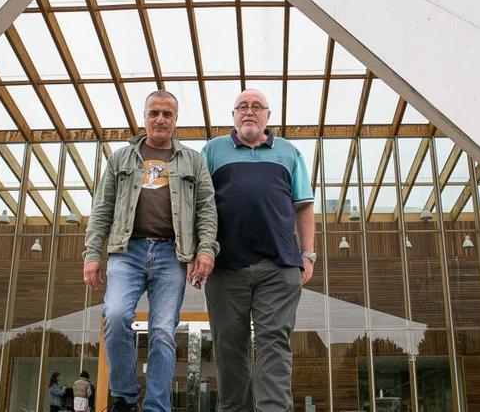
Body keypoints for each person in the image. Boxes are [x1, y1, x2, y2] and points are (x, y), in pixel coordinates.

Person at [83, 90, 218, 412]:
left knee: (162, 330)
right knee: (115, 316)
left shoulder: (193, 160)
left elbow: (206, 209)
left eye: (167, 114)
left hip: (172, 254)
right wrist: (91, 255)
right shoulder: (121, 158)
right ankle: (125, 396)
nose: (160, 119)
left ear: (175, 120)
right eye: (154, 113)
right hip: (126, 251)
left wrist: (206, 251)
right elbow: (102, 208)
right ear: (144, 117)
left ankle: (156, 406)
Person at [201, 88, 315, 412]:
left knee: (274, 347)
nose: (249, 112)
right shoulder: (212, 152)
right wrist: (199, 252)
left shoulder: (289, 153)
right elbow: (196, 205)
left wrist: (308, 254)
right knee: (229, 349)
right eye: (242, 107)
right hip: (225, 269)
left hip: (278, 267)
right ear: (233, 115)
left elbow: (303, 207)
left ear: (268, 115)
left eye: (256, 107)